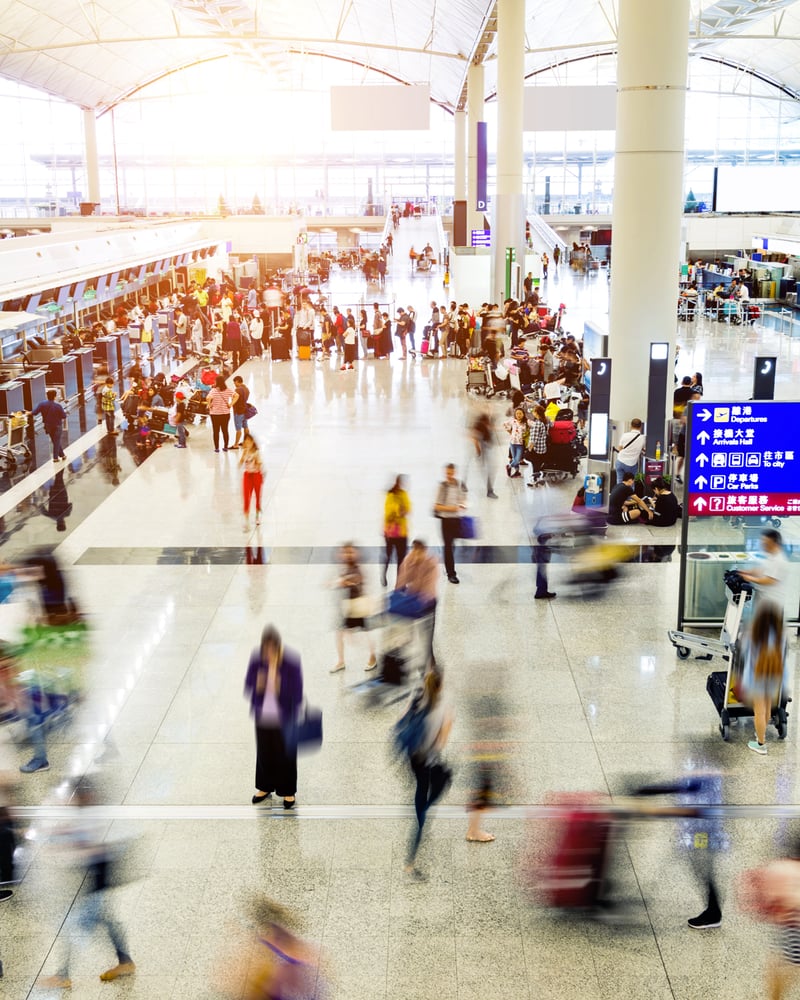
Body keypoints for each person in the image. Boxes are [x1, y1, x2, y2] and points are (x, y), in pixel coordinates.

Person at [38, 781, 135, 988]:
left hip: (97, 886)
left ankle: (62, 975)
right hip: (96, 885)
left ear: (88, 795)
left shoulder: (96, 818)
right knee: (108, 922)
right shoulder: (92, 814)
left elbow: (92, 847)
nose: (74, 800)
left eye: (78, 796)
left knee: (71, 927)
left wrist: (70, 845)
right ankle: (125, 962)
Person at [244, 625, 302, 810]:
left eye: (271, 649)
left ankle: (288, 791)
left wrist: (280, 686)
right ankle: (265, 786)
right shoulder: (257, 658)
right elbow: (248, 684)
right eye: (265, 649)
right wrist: (257, 684)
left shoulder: (291, 661)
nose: (268, 653)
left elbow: (297, 692)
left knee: (286, 755)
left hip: (284, 718)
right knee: (264, 753)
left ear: (278, 646)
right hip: (263, 715)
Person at [402, 668, 453, 879]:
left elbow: (403, 721)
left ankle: (421, 812)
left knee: (421, 788)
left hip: (413, 759)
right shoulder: (445, 710)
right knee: (443, 781)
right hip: (428, 760)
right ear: (440, 686)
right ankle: (410, 863)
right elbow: (440, 743)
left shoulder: (416, 697)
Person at [740, 602, 788, 755]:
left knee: (759, 712)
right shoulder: (780, 636)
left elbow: (746, 656)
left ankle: (760, 743)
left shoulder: (754, 636)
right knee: (767, 708)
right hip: (774, 677)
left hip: (758, 677)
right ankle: (761, 733)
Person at [329, 544, 377, 673]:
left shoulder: (357, 568)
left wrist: (344, 581)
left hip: (358, 606)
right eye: (344, 553)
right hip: (349, 606)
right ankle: (341, 661)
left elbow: (357, 581)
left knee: (360, 635)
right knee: (340, 633)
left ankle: (372, 656)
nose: (346, 555)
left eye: (349, 552)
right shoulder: (346, 567)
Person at [739, 529, 789, 613]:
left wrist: (750, 578)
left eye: (765, 543)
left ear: (774, 543)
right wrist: (748, 572)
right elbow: (762, 570)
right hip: (762, 598)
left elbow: (769, 580)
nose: (763, 545)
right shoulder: (771, 555)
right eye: (762, 541)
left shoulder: (779, 560)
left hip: (771, 602)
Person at [433, 464, 468, 584]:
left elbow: (463, 499)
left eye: (451, 473)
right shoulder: (442, 486)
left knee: (452, 545)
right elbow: (436, 506)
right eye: (447, 473)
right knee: (448, 547)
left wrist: (462, 504)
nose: (449, 475)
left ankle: (449, 566)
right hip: (446, 520)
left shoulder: (459, 484)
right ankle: (451, 573)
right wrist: (452, 509)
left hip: (456, 520)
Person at [382, 475, 411, 588]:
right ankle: (384, 575)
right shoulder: (390, 495)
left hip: (402, 533)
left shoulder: (404, 494)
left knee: (401, 558)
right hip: (390, 532)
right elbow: (389, 513)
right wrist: (399, 510)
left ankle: (400, 582)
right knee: (388, 556)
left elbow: (408, 509)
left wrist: (398, 511)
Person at [467, 410, 498, 499]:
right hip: (484, 452)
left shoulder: (485, 426)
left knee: (490, 471)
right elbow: (476, 440)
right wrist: (478, 451)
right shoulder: (480, 427)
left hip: (487, 451)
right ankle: (490, 491)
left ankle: (490, 490)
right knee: (489, 471)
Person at [31, 389, 67, 462]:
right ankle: (55, 457)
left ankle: (62, 455)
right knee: (56, 440)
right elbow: (64, 416)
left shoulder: (42, 404)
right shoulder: (58, 406)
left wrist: (28, 413)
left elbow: (34, 412)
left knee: (55, 440)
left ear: (47, 396)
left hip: (48, 425)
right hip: (57, 425)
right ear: (55, 396)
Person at [240, 430, 264, 532]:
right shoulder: (244, 452)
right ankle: (246, 522)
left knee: (257, 496)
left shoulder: (256, 452)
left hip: (256, 475)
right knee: (246, 497)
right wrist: (244, 456)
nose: (248, 443)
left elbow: (260, 464)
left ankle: (257, 515)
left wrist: (256, 461)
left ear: (253, 442)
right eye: (246, 442)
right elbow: (240, 464)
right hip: (247, 476)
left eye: (249, 441)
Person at [613, 418, 645, 484]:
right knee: (630, 484)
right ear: (640, 427)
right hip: (631, 464)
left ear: (631, 426)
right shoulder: (643, 438)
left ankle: (619, 493)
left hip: (620, 462)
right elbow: (645, 450)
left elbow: (620, 449)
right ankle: (629, 494)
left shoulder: (624, 435)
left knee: (619, 482)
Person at [206, 374, 233, 452]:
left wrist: (209, 404)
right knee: (225, 430)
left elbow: (208, 397)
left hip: (215, 414)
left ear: (217, 382)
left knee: (216, 431)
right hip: (225, 414)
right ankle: (225, 447)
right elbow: (236, 395)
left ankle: (217, 448)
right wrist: (231, 404)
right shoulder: (228, 390)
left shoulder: (213, 390)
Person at [526, 404, 549, 488]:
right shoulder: (544, 421)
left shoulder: (537, 424)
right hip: (543, 448)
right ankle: (538, 478)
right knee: (537, 464)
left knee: (534, 464)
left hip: (536, 449)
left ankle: (535, 480)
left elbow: (534, 439)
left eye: (534, 411)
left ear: (536, 413)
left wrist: (529, 449)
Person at [504, 407, 528, 479]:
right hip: (512, 443)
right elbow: (505, 424)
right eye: (517, 413)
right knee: (514, 458)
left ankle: (509, 466)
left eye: (520, 413)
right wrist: (510, 432)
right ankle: (517, 472)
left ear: (523, 414)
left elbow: (534, 425)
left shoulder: (526, 422)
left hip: (520, 444)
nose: (518, 415)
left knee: (517, 459)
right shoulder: (513, 421)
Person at [229, 375, 250, 449]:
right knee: (246, 426)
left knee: (238, 428)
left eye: (235, 382)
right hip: (245, 410)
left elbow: (234, 399)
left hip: (238, 411)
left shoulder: (237, 390)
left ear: (237, 381)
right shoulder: (247, 389)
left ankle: (236, 444)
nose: (234, 384)